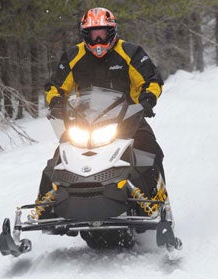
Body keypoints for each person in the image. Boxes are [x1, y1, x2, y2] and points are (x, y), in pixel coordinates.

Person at [31, 7, 165, 219]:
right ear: (85, 35)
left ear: (111, 32)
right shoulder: (74, 56)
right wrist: (56, 102)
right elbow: (55, 86)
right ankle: (44, 210)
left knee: (150, 151)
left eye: (102, 33)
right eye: (93, 34)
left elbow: (151, 79)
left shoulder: (130, 53)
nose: (98, 39)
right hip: (84, 123)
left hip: (128, 119)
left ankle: (159, 204)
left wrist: (147, 99)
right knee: (58, 159)